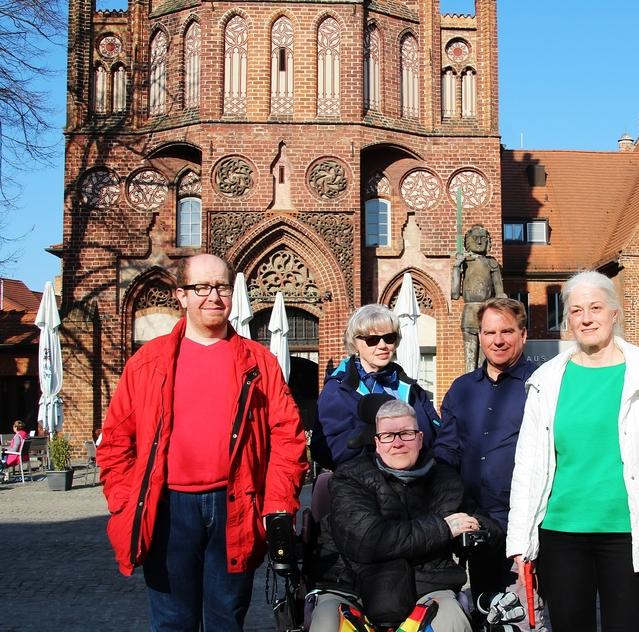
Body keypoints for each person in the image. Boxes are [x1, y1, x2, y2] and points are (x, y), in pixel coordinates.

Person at [97, 254, 308, 631]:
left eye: (222, 287)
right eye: (201, 288)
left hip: (236, 506)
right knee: (172, 621)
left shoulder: (259, 362)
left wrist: (275, 506)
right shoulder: (148, 362)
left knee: (226, 619)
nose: (213, 296)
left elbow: (288, 440)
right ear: (181, 295)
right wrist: (126, 500)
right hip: (167, 509)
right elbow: (115, 442)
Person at [506, 270, 639, 632]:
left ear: (614, 313)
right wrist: (520, 540)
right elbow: (528, 466)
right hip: (561, 534)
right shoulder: (546, 381)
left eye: (595, 307)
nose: (586, 318)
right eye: (576, 311)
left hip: (626, 535)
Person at [310, 399, 495, 632]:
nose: (397, 443)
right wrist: (443, 529)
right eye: (388, 436)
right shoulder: (349, 478)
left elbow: (487, 525)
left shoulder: (445, 479)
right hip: (351, 586)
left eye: (406, 433)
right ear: (377, 443)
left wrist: (478, 528)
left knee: (452, 621)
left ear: (420, 438)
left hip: (427, 587)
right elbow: (368, 540)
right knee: (327, 623)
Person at [440, 297, 538, 628]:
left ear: (523, 335)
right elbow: (448, 450)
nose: (498, 340)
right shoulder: (461, 389)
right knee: (485, 615)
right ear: (479, 336)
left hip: (526, 527)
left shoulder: (540, 386)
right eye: (489, 332)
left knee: (525, 619)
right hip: (478, 527)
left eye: (507, 331)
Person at [313, 303, 449, 468]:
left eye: (389, 338)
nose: (383, 345)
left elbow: (437, 435)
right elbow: (324, 450)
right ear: (355, 343)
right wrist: (370, 436)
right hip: (364, 486)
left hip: (417, 484)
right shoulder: (339, 389)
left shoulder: (410, 387)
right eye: (372, 340)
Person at [451, 225, 506, 373]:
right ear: (468, 241)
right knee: (469, 359)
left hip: (486, 312)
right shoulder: (466, 262)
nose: (480, 242)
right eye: (476, 238)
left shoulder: (491, 263)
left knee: (486, 358)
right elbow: (455, 293)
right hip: (470, 311)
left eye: (483, 238)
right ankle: (470, 385)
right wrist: (457, 268)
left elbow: (500, 293)